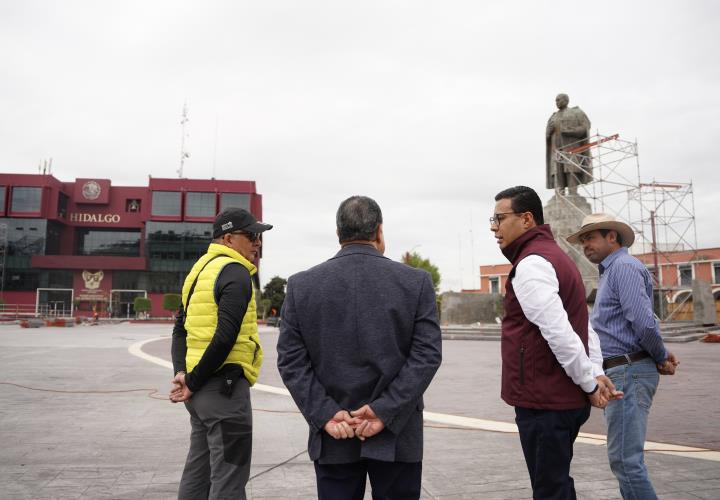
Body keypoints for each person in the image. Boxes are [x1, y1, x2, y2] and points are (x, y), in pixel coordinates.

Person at [277, 195, 442, 500]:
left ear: (338, 234)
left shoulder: (301, 285)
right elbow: (427, 356)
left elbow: (290, 361)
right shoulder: (416, 282)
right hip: (397, 432)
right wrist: (384, 411)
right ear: (379, 231)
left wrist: (326, 413)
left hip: (333, 434)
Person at [491, 186, 620, 500]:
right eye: (491, 220)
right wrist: (594, 372)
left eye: (499, 218)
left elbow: (560, 331)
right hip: (561, 398)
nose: (494, 227)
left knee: (549, 488)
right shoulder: (556, 257)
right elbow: (582, 323)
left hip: (544, 401)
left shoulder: (532, 264)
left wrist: (590, 382)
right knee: (557, 482)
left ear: (526, 219)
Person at [568, 213, 679, 500]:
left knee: (626, 461)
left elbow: (643, 321)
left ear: (612, 237)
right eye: (582, 241)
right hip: (623, 369)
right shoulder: (611, 271)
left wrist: (660, 355)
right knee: (624, 460)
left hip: (628, 370)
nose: (585, 246)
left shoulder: (624, 268)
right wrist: (659, 354)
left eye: (590, 238)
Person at [169, 207, 272, 500]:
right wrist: (193, 380)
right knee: (229, 478)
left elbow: (180, 330)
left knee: (198, 473)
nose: (257, 243)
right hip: (224, 391)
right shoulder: (235, 273)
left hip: (199, 393)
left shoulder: (198, 271)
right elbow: (225, 337)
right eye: (251, 236)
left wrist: (182, 374)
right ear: (228, 238)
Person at [546, 93, 592, 195]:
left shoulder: (576, 112)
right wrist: (549, 130)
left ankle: (573, 194)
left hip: (571, 147)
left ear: (566, 100)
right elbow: (548, 135)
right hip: (556, 150)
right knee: (557, 172)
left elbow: (585, 128)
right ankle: (559, 196)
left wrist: (570, 131)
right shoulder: (553, 117)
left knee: (571, 170)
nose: (556, 102)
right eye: (556, 100)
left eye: (558, 100)